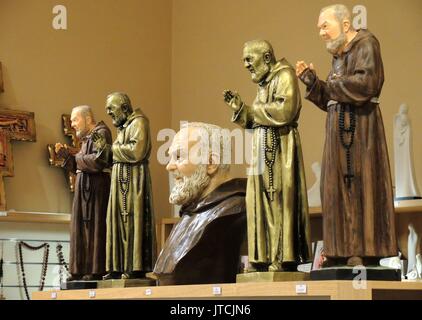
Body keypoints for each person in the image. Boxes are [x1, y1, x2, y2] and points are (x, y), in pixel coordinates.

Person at [296, 4, 397, 266]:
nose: (321, 32)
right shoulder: (338, 55)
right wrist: (313, 83)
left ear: (344, 25)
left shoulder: (366, 44)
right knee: (333, 189)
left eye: (324, 26)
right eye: (318, 28)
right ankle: (338, 249)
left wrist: (330, 86)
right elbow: (331, 96)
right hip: (337, 135)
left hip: (361, 133)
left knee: (360, 187)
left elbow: (366, 85)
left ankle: (361, 250)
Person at [223, 40, 311, 272]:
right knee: (258, 203)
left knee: (279, 200)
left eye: (249, 59)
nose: (246, 65)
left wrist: (253, 112)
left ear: (267, 57)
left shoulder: (285, 76)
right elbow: (256, 120)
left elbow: (285, 110)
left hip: (281, 149)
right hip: (262, 151)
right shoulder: (265, 83)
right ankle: (261, 257)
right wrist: (241, 110)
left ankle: (281, 257)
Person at [153, 122, 247, 285]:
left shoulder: (232, 210)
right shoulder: (192, 211)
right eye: (171, 157)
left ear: (211, 163)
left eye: (179, 156)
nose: (169, 166)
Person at [93, 92, 156, 280]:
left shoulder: (139, 122)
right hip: (118, 181)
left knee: (132, 223)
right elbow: (113, 157)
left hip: (135, 181)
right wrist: (104, 149)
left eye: (112, 110)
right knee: (116, 223)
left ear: (125, 108)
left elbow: (136, 151)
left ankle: (134, 266)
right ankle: (116, 266)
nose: (109, 114)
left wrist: (111, 148)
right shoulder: (123, 127)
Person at [55, 105, 112, 281]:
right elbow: (81, 164)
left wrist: (75, 157)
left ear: (88, 119)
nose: (72, 124)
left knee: (93, 227)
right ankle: (79, 269)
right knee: (79, 228)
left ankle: (94, 270)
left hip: (96, 189)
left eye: (75, 119)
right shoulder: (87, 138)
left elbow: (98, 161)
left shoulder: (101, 133)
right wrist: (67, 157)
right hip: (84, 189)